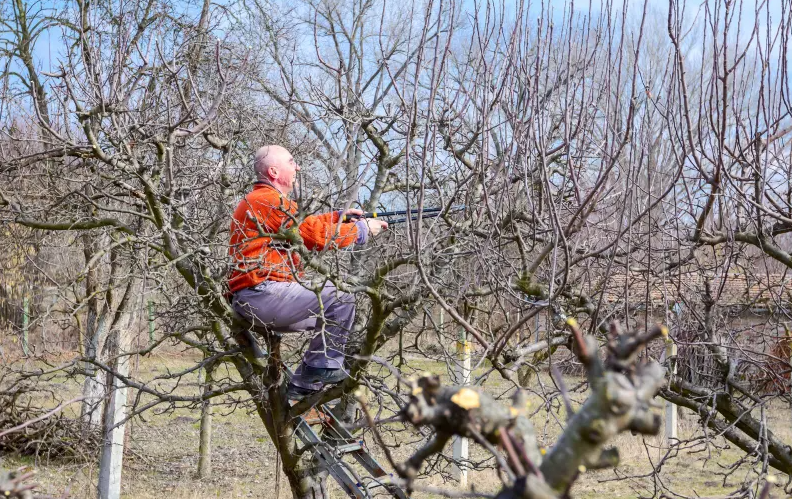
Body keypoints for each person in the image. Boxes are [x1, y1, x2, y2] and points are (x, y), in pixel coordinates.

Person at [228, 145, 388, 400]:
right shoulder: (267, 201)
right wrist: (361, 230)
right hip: (260, 295)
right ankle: (319, 368)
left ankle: (305, 384)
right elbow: (314, 236)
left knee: (333, 318)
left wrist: (338, 218)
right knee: (341, 296)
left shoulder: (266, 201)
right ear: (273, 171)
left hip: (262, 296)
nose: (298, 167)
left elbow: (304, 225)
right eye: (292, 162)